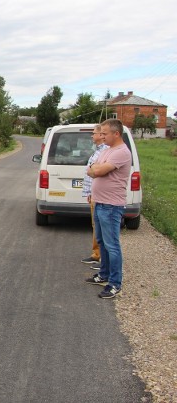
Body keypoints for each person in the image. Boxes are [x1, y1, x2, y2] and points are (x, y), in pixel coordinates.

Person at [85, 119, 131, 299]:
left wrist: (95, 169)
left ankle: (115, 283)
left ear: (116, 134)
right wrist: (94, 168)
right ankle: (103, 274)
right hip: (99, 202)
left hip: (111, 206)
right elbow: (92, 168)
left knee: (112, 245)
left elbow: (97, 171)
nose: (102, 136)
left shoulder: (121, 152)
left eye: (105, 133)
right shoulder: (108, 150)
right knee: (102, 241)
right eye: (101, 133)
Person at [80, 124, 109, 269]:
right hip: (95, 194)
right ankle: (96, 255)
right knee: (96, 226)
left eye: (94, 133)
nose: (92, 136)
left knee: (101, 227)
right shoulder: (98, 151)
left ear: (101, 135)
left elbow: (95, 171)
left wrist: (91, 170)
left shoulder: (105, 151)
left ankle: (102, 259)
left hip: (101, 195)